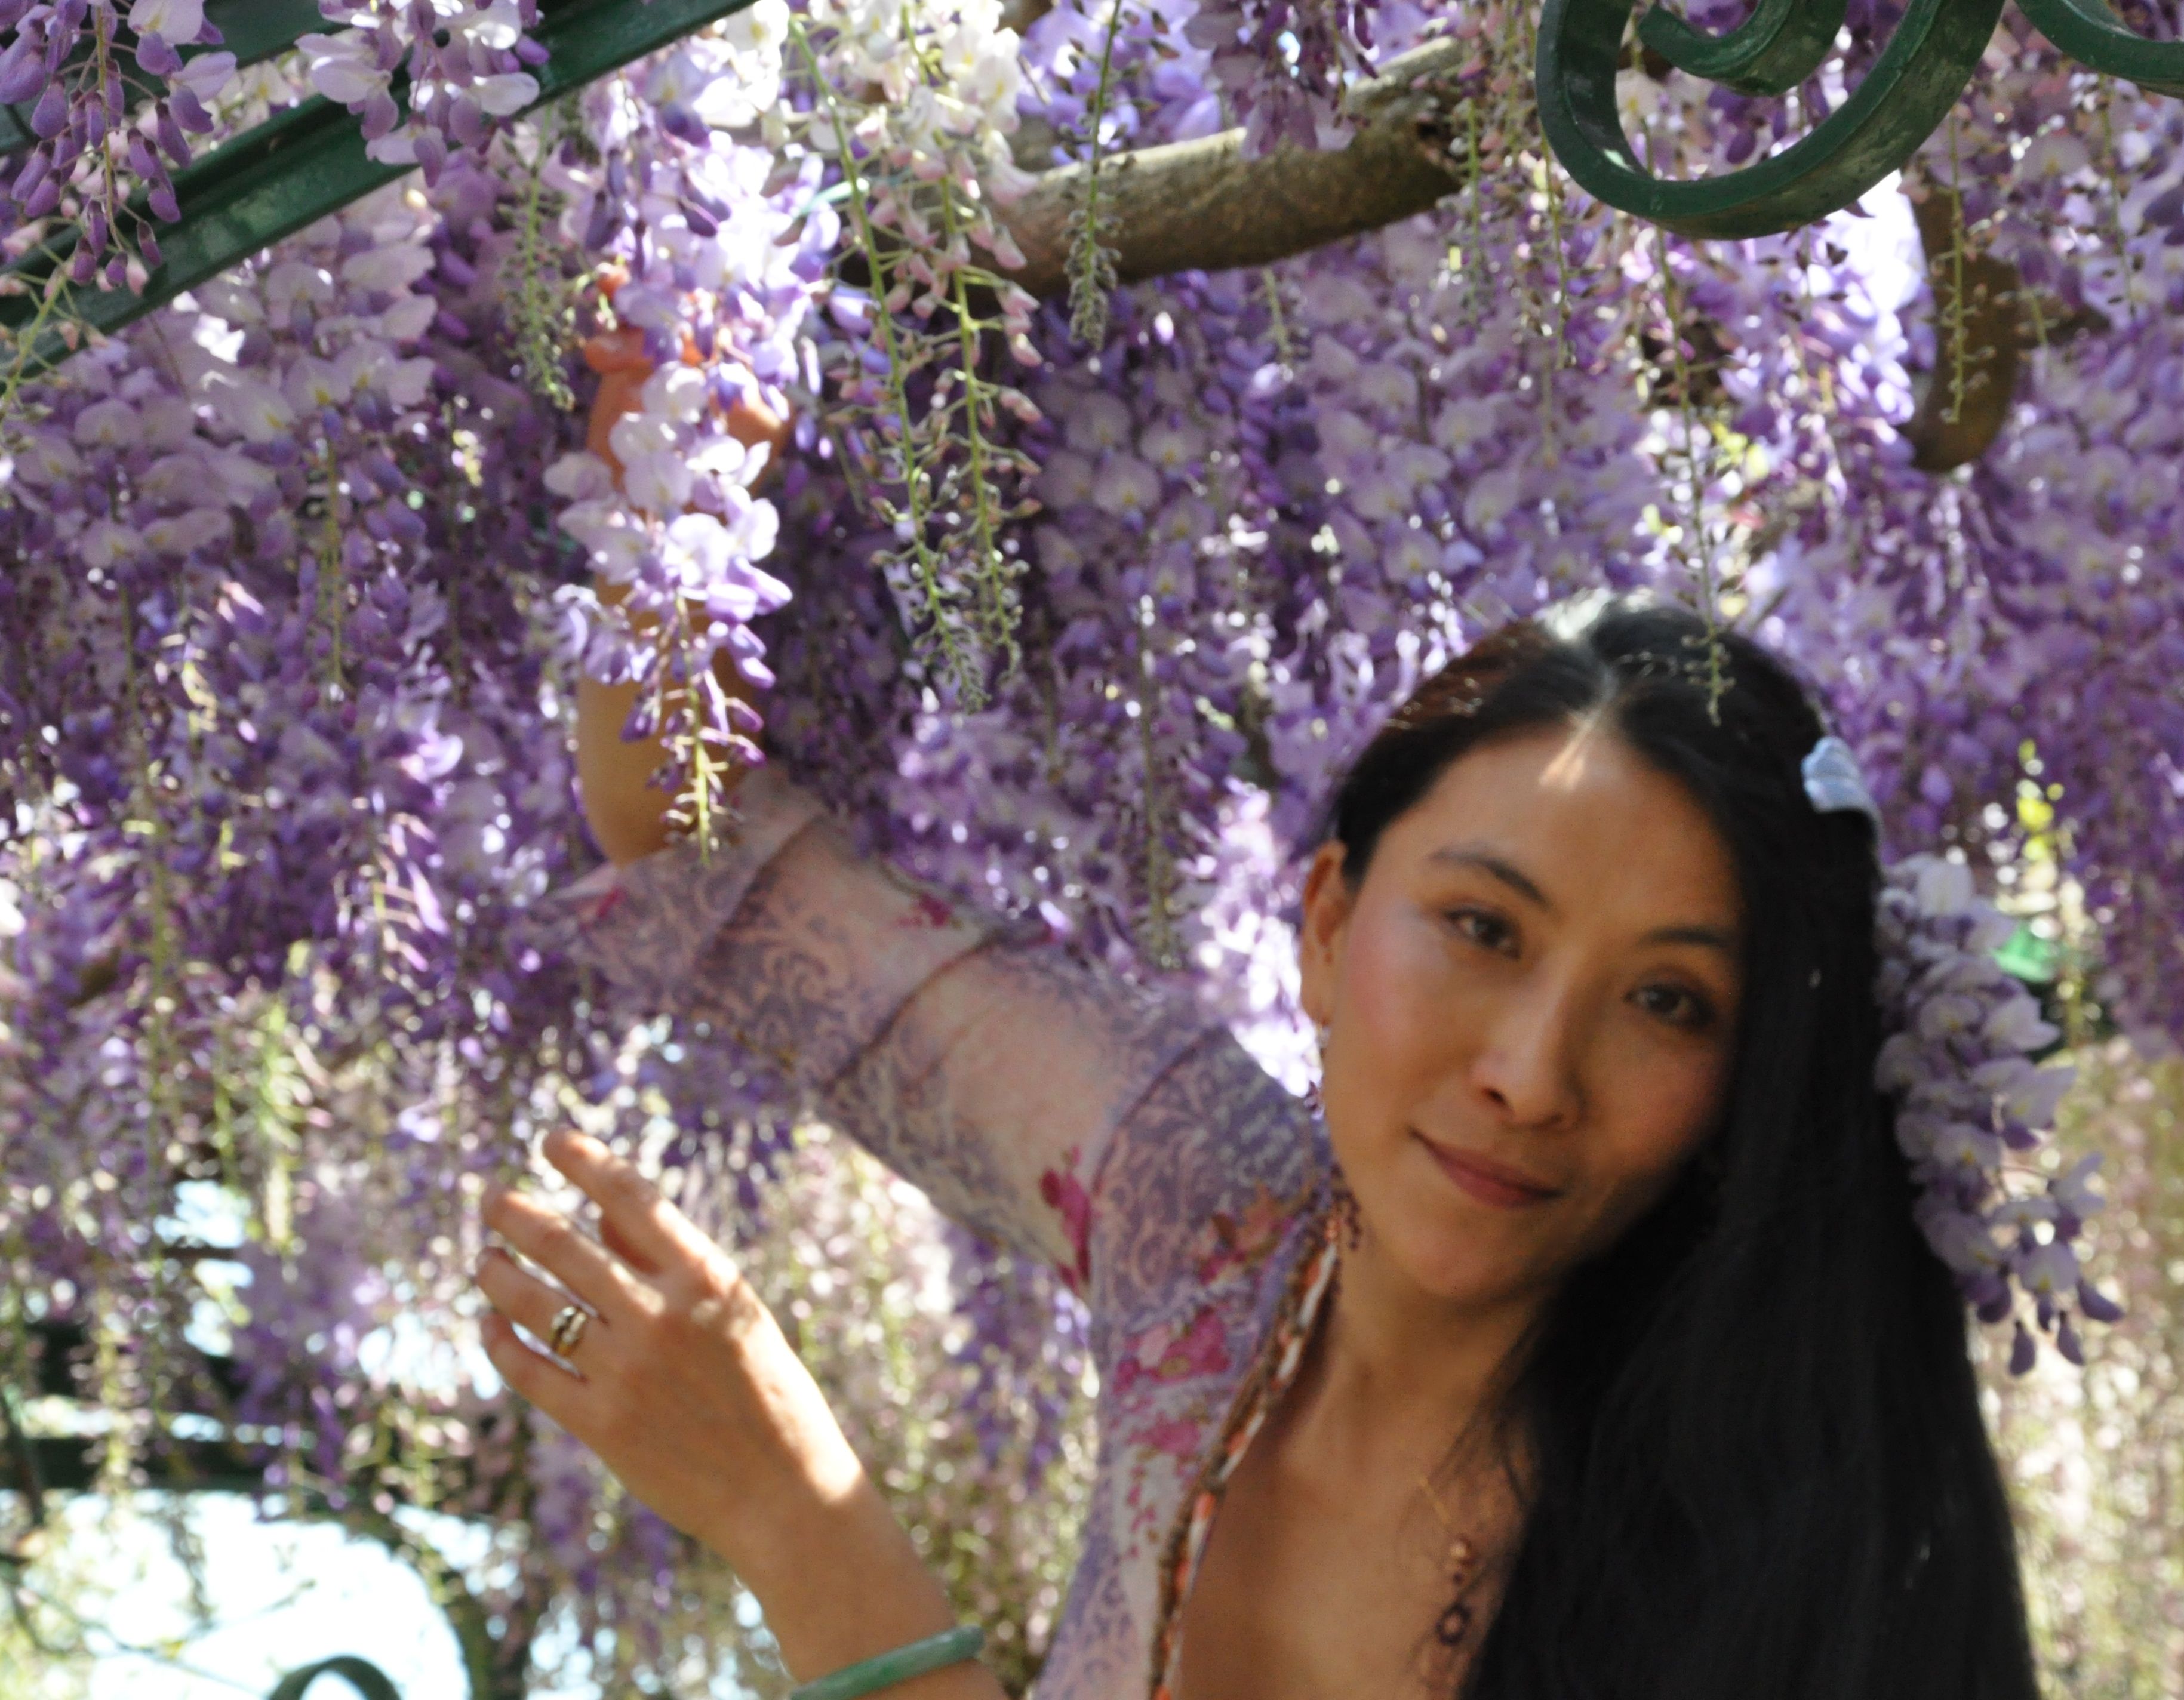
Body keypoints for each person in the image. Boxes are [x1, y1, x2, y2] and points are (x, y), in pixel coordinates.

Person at [471, 353, 2039, 1700]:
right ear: (1329, 922)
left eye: (1667, 1003)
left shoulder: (1758, 1559)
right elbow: (698, 843)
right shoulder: (1204, 1208)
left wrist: (798, 1519)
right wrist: (679, 454)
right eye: (1483, 930)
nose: (1527, 1076)